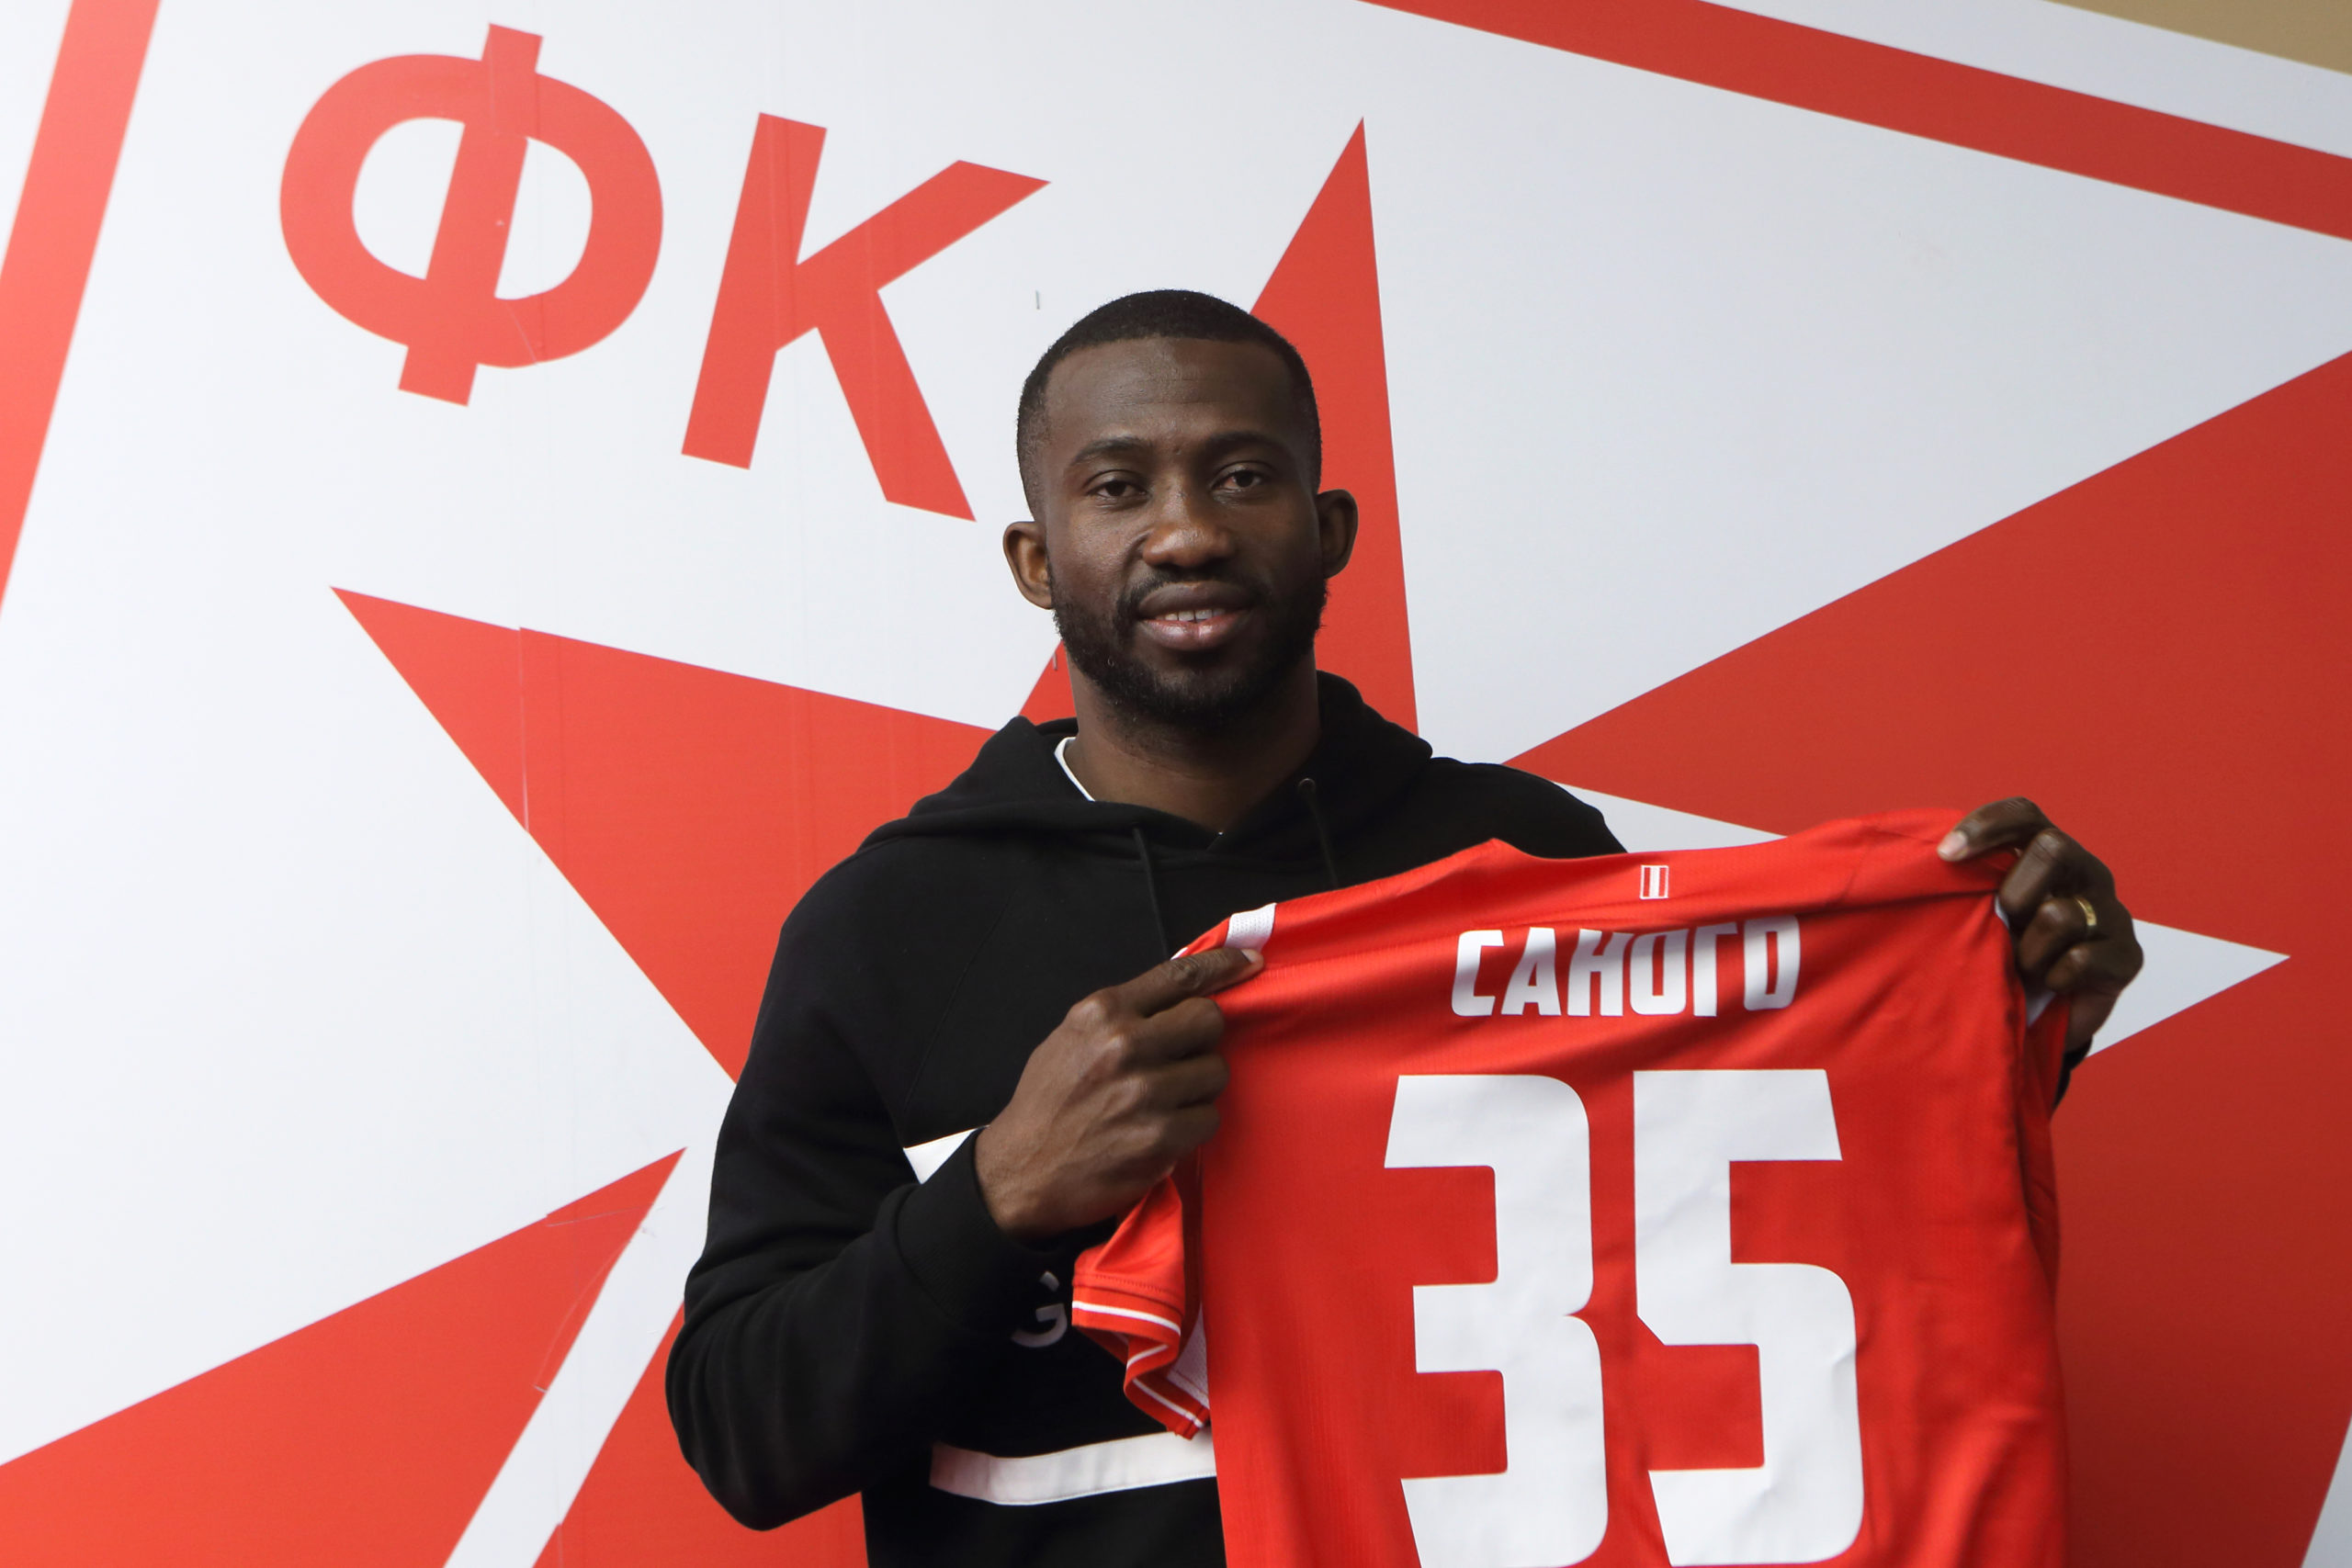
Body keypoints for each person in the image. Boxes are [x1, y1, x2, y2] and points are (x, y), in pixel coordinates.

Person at [666, 289, 2143, 1568]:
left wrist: (2009, 1018)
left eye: (1241, 475)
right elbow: (744, 1433)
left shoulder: (1526, 863)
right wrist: (998, 1192)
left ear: (1327, 533)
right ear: (1038, 560)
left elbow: (1747, 1227)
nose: (1186, 531)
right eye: (1117, 487)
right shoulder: (888, 928)